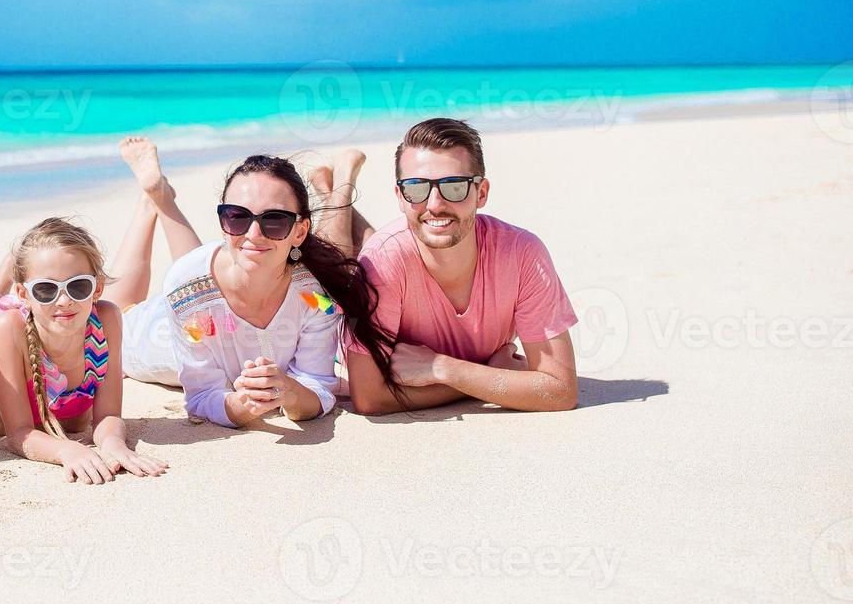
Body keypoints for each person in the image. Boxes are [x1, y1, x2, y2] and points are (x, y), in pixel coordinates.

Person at [115, 139, 400, 428]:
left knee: (195, 278)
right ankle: (151, 201)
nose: (254, 233)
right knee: (120, 310)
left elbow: (318, 388)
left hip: (204, 308)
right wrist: (243, 407)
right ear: (222, 220)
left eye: (274, 220)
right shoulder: (186, 289)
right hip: (165, 333)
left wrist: (290, 393)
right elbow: (201, 396)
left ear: (300, 232)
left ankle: (161, 199)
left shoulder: (315, 297)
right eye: (236, 217)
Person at [0, 205, 168, 484]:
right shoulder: (9, 326)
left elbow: (109, 415)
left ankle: (20, 277)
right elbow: (18, 433)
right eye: (46, 289)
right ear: (24, 294)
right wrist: (67, 450)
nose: (65, 300)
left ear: (97, 288)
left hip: (31, 337)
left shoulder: (108, 319)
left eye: (78, 286)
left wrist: (114, 444)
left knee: (30, 318)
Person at [344, 118, 580, 414]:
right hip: (357, 286)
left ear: (481, 193)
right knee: (340, 270)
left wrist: (443, 369)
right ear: (400, 198)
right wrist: (487, 375)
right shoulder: (381, 262)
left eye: (453, 186)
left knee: (392, 242)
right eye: (416, 188)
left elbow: (560, 391)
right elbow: (368, 398)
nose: (435, 203)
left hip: (397, 258)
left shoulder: (522, 254)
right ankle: (340, 195)